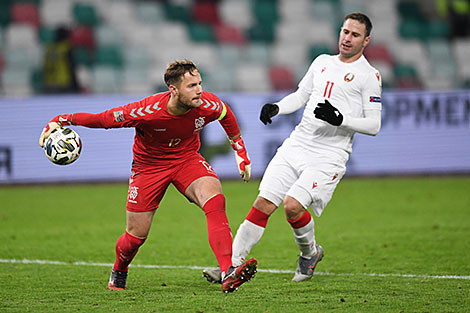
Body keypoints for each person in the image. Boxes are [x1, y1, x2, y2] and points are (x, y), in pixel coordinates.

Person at [38, 60, 257, 293]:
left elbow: (226, 115)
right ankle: (119, 269)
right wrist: (62, 119)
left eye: (200, 83)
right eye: (192, 85)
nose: (199, 90)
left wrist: (240, 149)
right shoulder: (146, 111)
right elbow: (103, 120)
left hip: (186, 158)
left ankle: (228, 272)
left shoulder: (207, 103)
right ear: (173, 90)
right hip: (148, 168)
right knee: (135, 236)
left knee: (215, 200)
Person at [203, 12, 382, 283]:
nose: (347, 38)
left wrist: (340, 119)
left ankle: (310, 253)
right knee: (262, 203)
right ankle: (231, 265)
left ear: (366, 40)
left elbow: (374, 124)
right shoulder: (322, 61)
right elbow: (301, 95)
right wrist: (278, 106)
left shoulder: (369, 75)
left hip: (329, 154)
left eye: (355, 35)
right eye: (345, 31)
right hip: (297, 143)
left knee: (292, 206)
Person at [42, 26, 80, 93]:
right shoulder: (66, 48)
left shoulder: (49, 48)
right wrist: (76, 86)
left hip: (49, 84)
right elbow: (71, 67)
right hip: (64, 83)